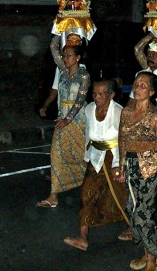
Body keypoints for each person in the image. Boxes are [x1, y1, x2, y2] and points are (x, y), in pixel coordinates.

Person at [63, 80, 130, 251]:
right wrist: (87, 155)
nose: (97, 97)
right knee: (87, 194)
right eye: (94, 93)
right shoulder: (89, 109)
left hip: (113, 157)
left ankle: (134, 226)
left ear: (111, 95)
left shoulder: (119, 112)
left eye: (101, 94)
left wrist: (118, 164)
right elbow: (88, 135)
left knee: (121, 194)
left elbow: (123, 141)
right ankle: (82, 237)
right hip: (95, 158)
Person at [117, 72, 157, 271]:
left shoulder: (155, 116)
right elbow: (121, 140)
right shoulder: (126, 112)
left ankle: (152, 258)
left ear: (151, 91)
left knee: (143, 213)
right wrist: (122, 165)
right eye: (136, 84)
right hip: (131, 166)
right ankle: (146, 250)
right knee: (131, 210)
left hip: (152, 168)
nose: (138, 88)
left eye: (143, 85)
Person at [37, 36, 90, 208]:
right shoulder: (63, 71)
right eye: (64, 55)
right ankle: (53, 196)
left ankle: (89, 187)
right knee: (56, 155)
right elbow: (53, 47)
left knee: (81, 157)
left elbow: (80, 100)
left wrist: (68, 119)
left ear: (77, 58)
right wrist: (61, 29)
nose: (65, 58)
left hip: (78, 121)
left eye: (68, 55)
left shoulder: (84, 75)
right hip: (62, 120)